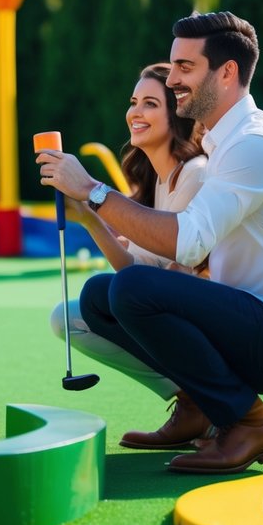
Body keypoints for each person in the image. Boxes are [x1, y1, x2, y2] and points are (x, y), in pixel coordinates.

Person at [35, 11, 263, 474]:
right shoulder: (224, 144)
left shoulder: (255, 144)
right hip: (255, 321)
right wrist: (93, 209)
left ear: (227, 72)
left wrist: (94, 191)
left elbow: (188, 245)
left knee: (132, 288)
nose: (173, 78)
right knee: (100, 296)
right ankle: (200, 405)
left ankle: (251, 423)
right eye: (174, 66)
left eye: (185, 67)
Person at [49, 63, 207, 404]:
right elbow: (135, 272)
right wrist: (91, 219)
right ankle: (186, 399)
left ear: (177, 113)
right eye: (134, 101)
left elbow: (170, 280)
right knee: (69, 318)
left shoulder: (196, 174)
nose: (135, 111)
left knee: (98, 294)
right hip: (180, 315)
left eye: (150, 103)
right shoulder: (159, 182)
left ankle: (206, 397)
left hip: (213, 323)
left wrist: (92, 193)